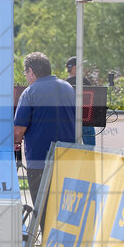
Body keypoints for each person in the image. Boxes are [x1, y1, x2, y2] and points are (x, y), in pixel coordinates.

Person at [13, 52, 75, 204]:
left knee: (42, 212)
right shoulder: (68, 88)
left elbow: (18, 131)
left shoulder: (30, 92)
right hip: (67, 159)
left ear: (31, 72)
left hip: (39, 162)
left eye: (25, 73)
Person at [65, 56, 96, 146]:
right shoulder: (85, 81)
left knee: (71, 152)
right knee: (90, 151)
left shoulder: (64, 83)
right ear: (74, 67)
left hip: (70, 121)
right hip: (86, 120)